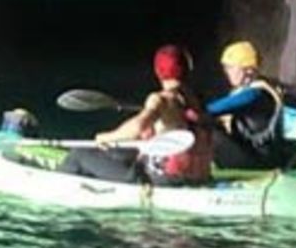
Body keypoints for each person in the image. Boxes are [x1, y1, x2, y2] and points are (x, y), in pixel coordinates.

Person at [59, 45, 214, 184]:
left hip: (161, 178)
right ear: (188, 69)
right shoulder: (198, 100)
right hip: (199, 176)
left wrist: (106, 137)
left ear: (158, 71)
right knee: (123, 152)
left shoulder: (161, 99)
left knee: (79, 154)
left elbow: (139, 127)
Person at [206, 40, 289, 169]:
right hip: (256, 155)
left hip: (260, 161)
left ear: (247, 70)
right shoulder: (253, 90)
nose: (226, 72)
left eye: (230, 67)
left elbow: (210, 110)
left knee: (210, 135)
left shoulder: (254, 95)